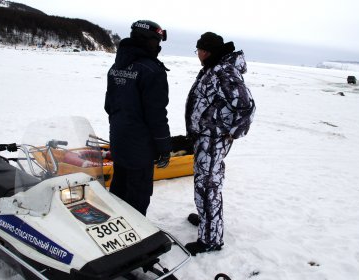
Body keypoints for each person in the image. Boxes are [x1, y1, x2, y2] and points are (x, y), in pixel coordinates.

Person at [184, 32, 255, 255]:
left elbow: (246, 106)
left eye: (199, 50)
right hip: (206, 137)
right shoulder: (213, 68)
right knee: (204, 183)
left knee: (208, 186)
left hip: (213, 139)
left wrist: (231, 133)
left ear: (206, 52)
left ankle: (211, 239)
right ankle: (208, 222)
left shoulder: (223, 71)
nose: (197, 54)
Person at [104, 20, 172, 216]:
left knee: (119, 189)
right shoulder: (152, 70)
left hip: (119, 139)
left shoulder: (116, 66)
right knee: (137, 195)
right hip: (140, 147)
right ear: (148, 40)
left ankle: (117, 229)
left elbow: (109, 106)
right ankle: (135, 238)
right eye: (157, 40)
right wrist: (163, 147)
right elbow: (156, 114)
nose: (158, 46)